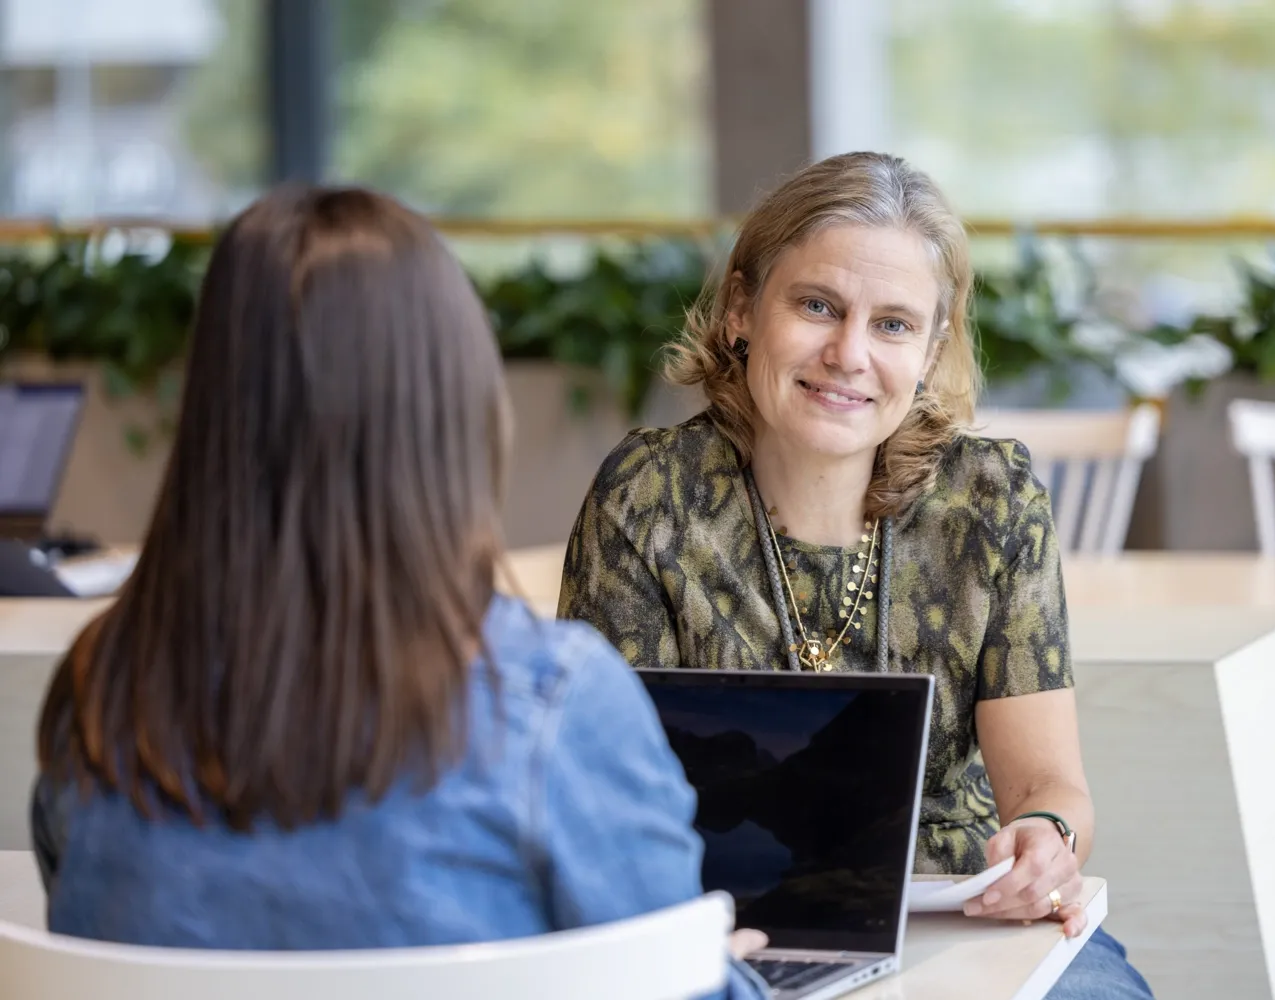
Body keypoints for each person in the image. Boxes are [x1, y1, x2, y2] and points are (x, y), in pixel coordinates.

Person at [30, 185, 768, 999]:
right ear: (459, 410)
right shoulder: (550, 703)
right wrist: (721, 969)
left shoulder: (100, 699)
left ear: (210, 414)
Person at [558, 152, 1154, 998]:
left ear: (932, 346)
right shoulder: (648, 497)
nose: (848, 353)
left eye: (894, 325)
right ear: (740, 309)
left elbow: (1049, 790)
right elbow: (598, 797)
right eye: (816, 306)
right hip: (721, 928)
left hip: (954, 917)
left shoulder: (991, 498)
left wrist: (1045, 840)